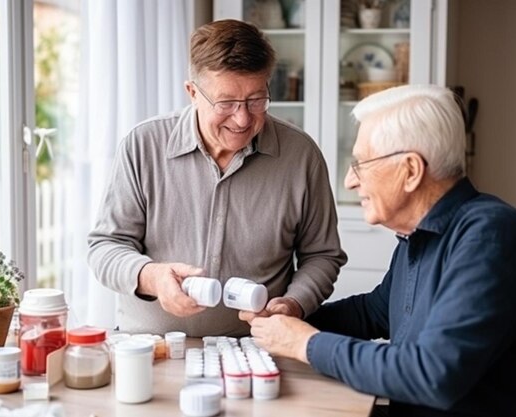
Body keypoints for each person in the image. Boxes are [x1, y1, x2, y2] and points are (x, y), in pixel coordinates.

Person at [243, 84, 516, 416]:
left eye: (360, 164)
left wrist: (304, 344)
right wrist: (292, 317)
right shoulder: (420, 236)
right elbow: (373, 312)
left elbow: (432, 375)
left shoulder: (492, 239)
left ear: (411, 170)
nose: (349, 181)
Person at [87, 19, 346, 336]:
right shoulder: (143, 145)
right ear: (192, 92)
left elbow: (322, 255)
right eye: (226, 103)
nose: (242, 118)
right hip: (151, 348)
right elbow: (106, 247)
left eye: (256, 100)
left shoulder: (301, 155)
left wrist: (294, 303)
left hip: (258, 350)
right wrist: (152, 276)